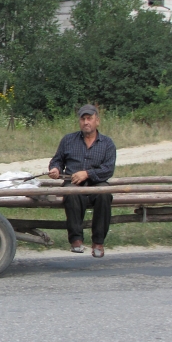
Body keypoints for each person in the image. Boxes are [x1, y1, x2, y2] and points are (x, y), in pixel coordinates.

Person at [48, 104, 116, 258]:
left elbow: (108, 169)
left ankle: (98, 242)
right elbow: (57, 160)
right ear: (79, 121)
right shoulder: (68, 140)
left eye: (89, 118)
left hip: (97, 182)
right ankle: (76, 239)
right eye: (83, 119)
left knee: (104, 194)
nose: (86, 122)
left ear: (97, 121)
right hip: (73, 182)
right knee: (71, 192)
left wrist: (87, 174)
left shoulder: (107, 143)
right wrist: (56, 169)